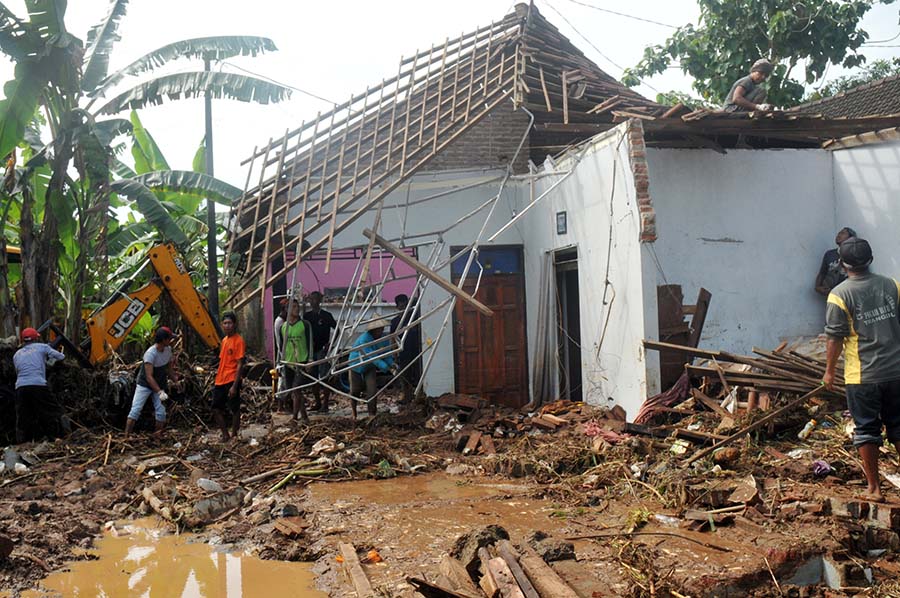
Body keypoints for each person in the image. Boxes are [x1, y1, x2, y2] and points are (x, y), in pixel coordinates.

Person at [824, 238, 900, 503]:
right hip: (896, 371)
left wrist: (829, 371)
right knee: (898, 426)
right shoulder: (892, 286)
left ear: (843, 265)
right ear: (871, 259)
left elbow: (834, 337)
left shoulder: (839, 294)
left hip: (862, 375)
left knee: (867, 430)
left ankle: (874, 489)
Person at [13, 327, 67, 442]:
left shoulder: (17, 354)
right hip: (38, 385)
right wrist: (48, 360)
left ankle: (22, 442)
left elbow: (18, 370)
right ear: (36, 338)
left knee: (23, 415)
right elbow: (61, 357)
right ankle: (57, 437)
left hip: (20, 387)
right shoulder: (42, 347)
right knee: (51, 411)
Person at [125, 327, 179, 438]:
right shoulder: (150, 354)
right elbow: (149, 377)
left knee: (161, 412)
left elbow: (169, 369)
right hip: (145, 385)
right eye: (169, 338)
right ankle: (126, 436)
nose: (171, 341)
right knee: (136, 410)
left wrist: (176, 380)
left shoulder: (168, 350)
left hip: (159, 384)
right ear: (163, 340)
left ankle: (157, 436)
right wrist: (159, 392)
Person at [349, 318, 394, 417]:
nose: (381, 331)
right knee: (355, 390)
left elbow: (387, 353)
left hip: (370, 366)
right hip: (356, 364)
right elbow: (371, 356)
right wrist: (385, 367)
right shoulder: (365, 339)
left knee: (372, 390)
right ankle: (354, 413)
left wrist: (392, 364)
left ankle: (372, 414)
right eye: (379, 329)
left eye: (382, 328)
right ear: (373, 330)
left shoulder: (384, 339)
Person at [212, 312, 246, 442]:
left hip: (232, 379)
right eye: (225, 323)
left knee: (235, 408)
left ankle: (234, 435)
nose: (227, 326)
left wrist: (234, 386)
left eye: (229, 323)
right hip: (220, 379)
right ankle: (225, 434)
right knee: (216, 408)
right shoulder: (224, 341)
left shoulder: (239, 341)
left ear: (234, 324)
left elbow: (240, 364)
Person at [303, 291, 337, 412]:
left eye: (316, 299)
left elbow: (337, 329)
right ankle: (317, 402)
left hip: (323, 351)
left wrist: (331, 344)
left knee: (324, 377)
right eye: (311, 300)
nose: (313, 302)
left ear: (320, 301)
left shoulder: (327, 315)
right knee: (313, 378)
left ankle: (325, 404)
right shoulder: (306, 317)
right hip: (311, 351)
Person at [281, 298, 313, 422]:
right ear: (287, 310)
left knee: (296, 389)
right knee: (294, 391)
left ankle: (294, 417)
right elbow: (281, 345)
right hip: (288, 363)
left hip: (302, 361)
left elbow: (310, 342)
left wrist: (310, 360)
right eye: (293, 307)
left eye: (297, 306)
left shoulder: (305, 325)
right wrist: (281, 360)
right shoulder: (283, 327)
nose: (296, 309)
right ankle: (304, 416)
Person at [389, 294, 423, 405]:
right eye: (401, 306)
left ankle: (420, 396)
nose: (403, 308)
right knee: (405, 377)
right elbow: (393, 339)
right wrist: (394, 355)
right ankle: (407, 397)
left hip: (417, 352)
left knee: (419, 375)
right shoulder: (394, 322)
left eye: (405, 305)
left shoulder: (414, 317)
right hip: (403, 353)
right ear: (397, 307)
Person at [815, 227, 857, 296]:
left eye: (842, 233)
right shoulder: (829, 254)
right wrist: (818, 287)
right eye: (838, 233)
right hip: (832, 298)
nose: (839, 235)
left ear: (851, 239)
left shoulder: (855, 255)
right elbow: (822, 273)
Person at [273, 299, 288, 412]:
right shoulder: (280, 322)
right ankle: (280, 406)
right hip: (284, 356)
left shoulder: (283, 320)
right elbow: (281, 342)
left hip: (286, 355)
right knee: (283, 380)